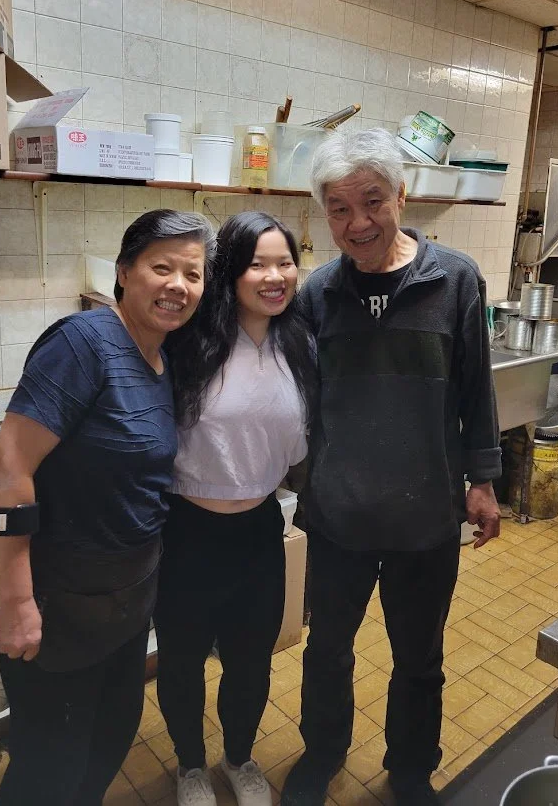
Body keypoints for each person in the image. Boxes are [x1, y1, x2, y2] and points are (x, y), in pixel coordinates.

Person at [281, 128, 502, 806]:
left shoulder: (455, 279)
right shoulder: (315, 293)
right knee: (326, 652)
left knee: (419, 659)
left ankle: (410, 768)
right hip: (337, 513)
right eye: (338, 209)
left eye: (371, 201)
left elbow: (474, 386)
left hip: (427, 514)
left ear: (400, 195)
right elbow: (296, 401)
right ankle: (321, 754)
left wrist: (483, 479)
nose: (357, 223)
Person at [0, 209, 216, 806]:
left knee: (108, 744)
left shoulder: (164, 358)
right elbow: (10, 465)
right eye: (161, 267)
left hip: (125, 607)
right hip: (59, 609)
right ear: (123, 272)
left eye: (193, 274)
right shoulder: (84, 343)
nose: (178, 285)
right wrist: (15, 603)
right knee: (48, 773)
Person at [154, 211, 317, 806]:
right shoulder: (190, 342)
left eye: (285, 262)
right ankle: (190, 766)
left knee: (251, 660)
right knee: (182, 660)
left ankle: (239, 758)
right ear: (230, 273)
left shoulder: (297, 343)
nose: (274, 277)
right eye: (257, 264)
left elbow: (301, 441)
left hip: (259, 528)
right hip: (187, 529)